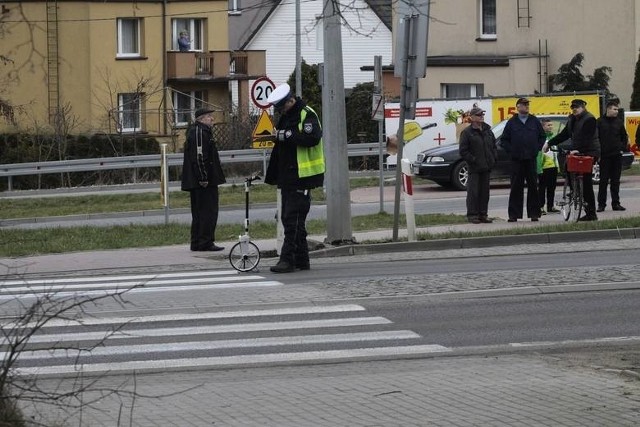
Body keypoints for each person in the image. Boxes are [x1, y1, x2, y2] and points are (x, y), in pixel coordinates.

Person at [265, 83, 325, 273]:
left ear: (291, 100)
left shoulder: (306, 114)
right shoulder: (287, 116)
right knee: (289, 219)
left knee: (293, 219)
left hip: (303, 176)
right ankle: (302, 260)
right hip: (288, 176)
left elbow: (311, 138)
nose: (281, 111)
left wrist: (285, 135)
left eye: (282, 106)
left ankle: (287, 260)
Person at [546, 98, 600, 221]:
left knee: (586, 182)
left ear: (583, 107)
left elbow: (587, 137)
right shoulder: (572, 119)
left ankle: (591, 213)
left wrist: (579, 150)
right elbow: (564, 134)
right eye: (573, 107)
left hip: (590, 151)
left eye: (577, 107)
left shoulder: (589, 119)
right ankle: (574, 189)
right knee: (568, 166)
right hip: (578, 150)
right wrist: (549, 143)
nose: (575, 109)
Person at [181, 108, 226, 251]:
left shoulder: (199, 131)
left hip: (200, 181)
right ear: (201, 119)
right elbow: (199, 157)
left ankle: (197, 242)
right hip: (204, 182)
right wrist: (203, 178)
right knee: (208, 212)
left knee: (200, 212)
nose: (212, 119)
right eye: (209, 116)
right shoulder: (200, 132)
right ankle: (205, 242)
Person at [500, 97, 546, 222]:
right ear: (518, 107)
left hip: (530, 159)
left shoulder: (534, 120)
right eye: (524, 104)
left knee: (533, 186)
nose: (526, 106)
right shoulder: (512, 122)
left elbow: (542, 136)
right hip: (516, 160)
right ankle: (514, 215)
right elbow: (504, 140)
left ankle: (534, 214)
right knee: (516, 187)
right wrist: (511, 150)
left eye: (527, 104)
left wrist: (537, 148)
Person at [458, 106, 498, 224]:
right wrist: (473, 160)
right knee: (473, 192)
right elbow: (463, 151)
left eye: (482, 115)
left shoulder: (488, 131)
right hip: (474, 168)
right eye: (479, 115)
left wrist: (493, 158)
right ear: (472, 117)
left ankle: (483, 214)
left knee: (485, 193)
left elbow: (494, 146)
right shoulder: (467, 133)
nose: (482, 117)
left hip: (486, 167)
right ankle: (472, 215)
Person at [596, 100, 628, 212]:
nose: (616, 111)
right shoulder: (599, 122)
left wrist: (622, 147)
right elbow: (596, 137)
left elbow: (624, 137)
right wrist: (598, 151)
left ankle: (616, 203)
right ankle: (601, 204)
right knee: (603, 181)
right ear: (608, 109)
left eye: (617, 110)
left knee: (615, 181)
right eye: (615, 109)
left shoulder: (619, 122)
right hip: (604, 156)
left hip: (616, 155)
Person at [537, 118, 560, 214]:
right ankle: (540, 207)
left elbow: (555, 153)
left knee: (552, 187)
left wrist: (557, 166)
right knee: (542, 188)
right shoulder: (541, 138)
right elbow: (538, 154)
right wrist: (539, 168)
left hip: (553, 166)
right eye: (548, 125)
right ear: (542, 127)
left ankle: (550, 206)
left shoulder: (553, 138)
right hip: (544, 167)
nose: (550, 127)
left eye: (551, 125)